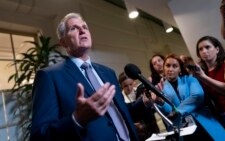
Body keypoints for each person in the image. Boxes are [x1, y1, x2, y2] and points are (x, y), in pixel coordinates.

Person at [30, 12, 147, 141]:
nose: (82, 30)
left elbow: (121, 112)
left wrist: (145, 101)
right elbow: (39, 136)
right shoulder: (49, 76)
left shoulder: (108, 72)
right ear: (63, 42)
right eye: (74, 28)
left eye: (85, 27)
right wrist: (78, 119)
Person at [148, 54, 225, 141]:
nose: (170, 69)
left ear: (179, 69)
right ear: (164, 68)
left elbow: (198, 96)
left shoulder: (189, 78)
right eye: (168, 65)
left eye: (174, 66)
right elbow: (168, 113)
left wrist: (177, 111)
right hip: (182, 129)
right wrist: (161, 102)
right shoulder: (161, 87)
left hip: (202, 122)